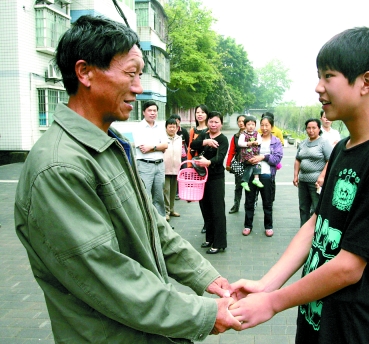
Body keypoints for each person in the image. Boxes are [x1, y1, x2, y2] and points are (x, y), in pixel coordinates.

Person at [14, 15, 240, 343]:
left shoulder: (108, 143)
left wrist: (205, 276)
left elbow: (151, 224)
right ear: (85, 72)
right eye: (131, 74)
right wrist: (202, 314)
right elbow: (108, 277)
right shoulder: (60, 168)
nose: (138, 87)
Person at [229, 26, 369, 344]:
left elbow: (349, 267)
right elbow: (317, 222)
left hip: (350, 329)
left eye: (328, 76)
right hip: (315, 319)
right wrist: (267, 284)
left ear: (366, 82)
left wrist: (274, 303)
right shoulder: (344, 148)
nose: (318, 87)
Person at [190, 111, 229, 254]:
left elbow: (220, 159)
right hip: (202, 177)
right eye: (211, 121)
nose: (213, 124)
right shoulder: (204, 135)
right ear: (208, 122)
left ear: (221, 124)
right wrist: (205, 142)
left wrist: (208, 162)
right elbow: (193, 144)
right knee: (205, 208)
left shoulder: (223, 139)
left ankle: (219, 243)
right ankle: (209, 238)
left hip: (216, 178)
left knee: (217, 210)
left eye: (216, 122)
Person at [242, 115, 283, 237]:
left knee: (267, 202)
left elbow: (277, 158)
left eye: (267, 125)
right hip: (252, 174)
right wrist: (248, 160)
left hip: (266, 174)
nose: (264, 128)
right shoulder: (254, 137)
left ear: (272, 126)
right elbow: (243, 152)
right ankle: (247, 225)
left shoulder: (275, 141)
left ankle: (268, 226)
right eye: (262, 125)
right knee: (249, 201)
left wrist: (262, 157)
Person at [293, 118, 332, 226]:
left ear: (319, 129)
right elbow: (298, 159)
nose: (311, 130)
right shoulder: (303, 143)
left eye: (314, 128)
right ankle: (303, 229)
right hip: (303, 181)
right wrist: (296, 175)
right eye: (308, 128)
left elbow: (330, 160)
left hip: (316, 182)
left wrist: (322, 176)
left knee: (316, 207)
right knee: (303, 207)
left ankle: (316, 231)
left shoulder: (324, 143)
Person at [134, 100, 168, 217]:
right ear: (144, 112)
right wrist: (158, 147)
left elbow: (165, 145)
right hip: (145, 165)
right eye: (149, 110)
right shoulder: (139, 128)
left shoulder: (160, 127)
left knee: (159, 196)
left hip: (159, 165)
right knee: (146, 196)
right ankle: (148, 223)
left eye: (154, 111)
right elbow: (143, 149)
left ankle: (162, 224)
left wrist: (152, 147)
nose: (152, 113)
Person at [188, 104, 209, 233]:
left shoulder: (210, 129)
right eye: (197, 112)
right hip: (196, 167)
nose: (199, 114)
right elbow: (190, 148)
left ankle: (209, 222)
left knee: (209, 196)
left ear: (207, 114)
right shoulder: (193, 130)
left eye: (202, 112)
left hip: (208, 165)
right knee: (201, 197)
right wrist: (189, 166)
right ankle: (206, 222)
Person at [226, 115, 246, 213]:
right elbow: (231, 151)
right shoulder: (236, 137)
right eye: (239, 121)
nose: (241, 123)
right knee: (238, 186)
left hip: (250, 164)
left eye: (243, 121)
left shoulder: (253, 136)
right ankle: (236, 205)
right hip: (239, 163)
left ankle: (250, 206)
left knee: (250, 186)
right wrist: (228, 163)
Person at [163, 118, 182, 221]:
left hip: (176, 169)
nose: (171, 129)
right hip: (165, 169)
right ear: (166, 128)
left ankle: (171, 209)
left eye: (173, 127)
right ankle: (166, 212)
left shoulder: (179, 139)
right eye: (169, 126)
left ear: (177, 128)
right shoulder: (162, 138)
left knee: (173, 191)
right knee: (166, 190)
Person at [239, 115, 264, 192]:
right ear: (245, 125)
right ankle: (252, 180)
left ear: (255, 125)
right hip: (246, 154)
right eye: (249, 124)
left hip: (254, 153)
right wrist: (249, 143)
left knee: (256, 164)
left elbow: (260, 141)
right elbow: (240, 143)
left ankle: (250, 180)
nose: (251, 126)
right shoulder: (243, 134)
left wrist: (257, 142)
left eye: (253, 124)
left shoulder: (257, 134)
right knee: (253, 164)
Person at [169, 113, 189, 200]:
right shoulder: (168, 131)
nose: (176, 122)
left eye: (177, 120)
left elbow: (188, 143)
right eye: (174, 120)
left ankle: (182, 191)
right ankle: (176, 192)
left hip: (183, 156)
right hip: (172, 156)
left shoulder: (183, 131)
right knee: (174, 174)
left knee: (183, 173)